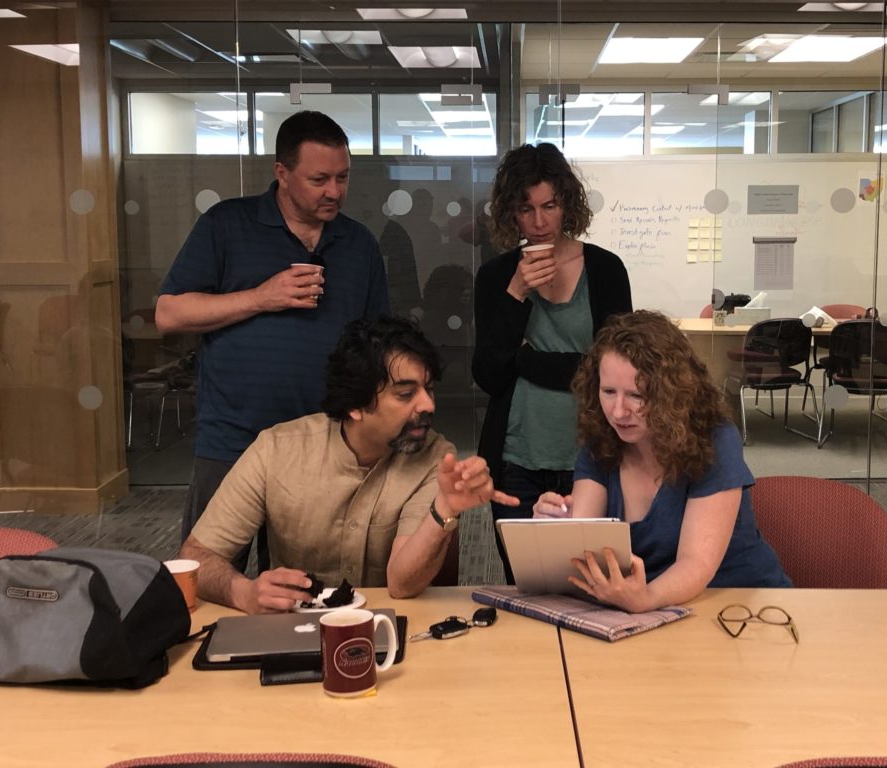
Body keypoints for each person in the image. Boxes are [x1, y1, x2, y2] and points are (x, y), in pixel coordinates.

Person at [157, 111, 390, 572]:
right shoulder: (226, 224)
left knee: (302, 589)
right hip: (233, 437)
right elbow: (169, 314)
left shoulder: (358, 242)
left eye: (343, 177)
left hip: (322, 442)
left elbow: (378, 341)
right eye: (319, 178)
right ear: (281, 173)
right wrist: (262, 297)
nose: (334, 191)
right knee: (206, 576)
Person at [178, 316, 518, 614]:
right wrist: (245, 593)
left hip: (395, 630)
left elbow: (401, 583)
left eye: (428, 389)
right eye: (405, 394)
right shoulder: (277, 450)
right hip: (292, 629)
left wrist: (444, 508)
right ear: (355, 405)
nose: (428, 404)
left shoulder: (433, 455)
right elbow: (197, 558)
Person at [533, 311, 791, 612]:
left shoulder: (714, 439)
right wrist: (558, 531)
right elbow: (586, 545)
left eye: (637, 396)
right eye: (608, 392)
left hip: (737, 605)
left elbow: (695, 563)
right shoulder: (601, 440)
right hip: (649, 612)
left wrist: (647, 599)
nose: (618, 412)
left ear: (671, 392)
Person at [472, 142, 632, 582]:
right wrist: (516, 294)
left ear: (568, 205)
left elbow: (616, 370)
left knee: (594, 579)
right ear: (510, 213)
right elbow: (489, 374)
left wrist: (529, 360)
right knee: (526, 579)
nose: (539, 222)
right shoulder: (495, 277)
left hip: (591, 453)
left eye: (550, 206)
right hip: (516, 455)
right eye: (526, 209)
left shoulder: (605, 270)